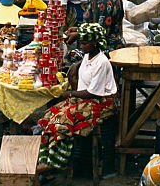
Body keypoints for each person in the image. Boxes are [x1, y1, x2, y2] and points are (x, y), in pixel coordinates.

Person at [37, 23, 117, 174]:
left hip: (101, 102)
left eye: (85, 43)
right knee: (50, 114)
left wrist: (68, 94)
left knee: (63, 121)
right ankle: (46, 157)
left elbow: (93, 92)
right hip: (86, 98)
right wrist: (76, 64)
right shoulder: (88, 55)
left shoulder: (101, 62)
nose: (81, 45)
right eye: (81, 42)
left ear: (94, 44)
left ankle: (56, 163)